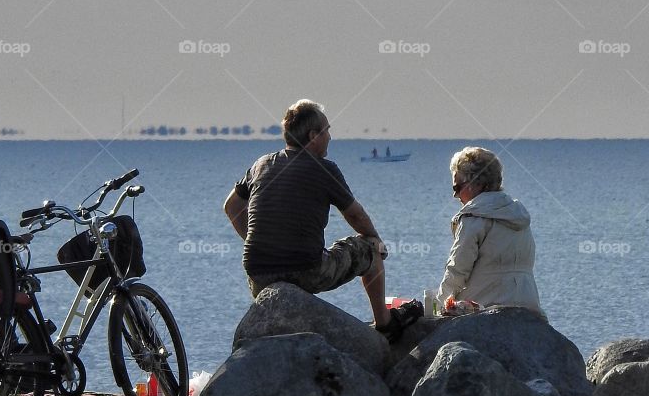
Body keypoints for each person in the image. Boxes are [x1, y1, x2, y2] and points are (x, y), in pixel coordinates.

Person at [223, 99, 421, 341]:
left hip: (258, 274)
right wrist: (377, 241)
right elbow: (355, 215)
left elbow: (231, 206)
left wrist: (256, 240)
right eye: (326, 131)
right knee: (370, 248)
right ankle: (385, 324)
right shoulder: (324, 169)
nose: (329, 137)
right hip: (307, 270)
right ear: (313, 136)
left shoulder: (261, 165)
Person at [437, 146, 542, 313]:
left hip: (486, 309)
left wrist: (439, 306)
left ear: (475, 184)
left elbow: (457, 270)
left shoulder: (473, 218)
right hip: (529, 307)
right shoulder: (519, 216)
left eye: (457, 188)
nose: (455, 196)